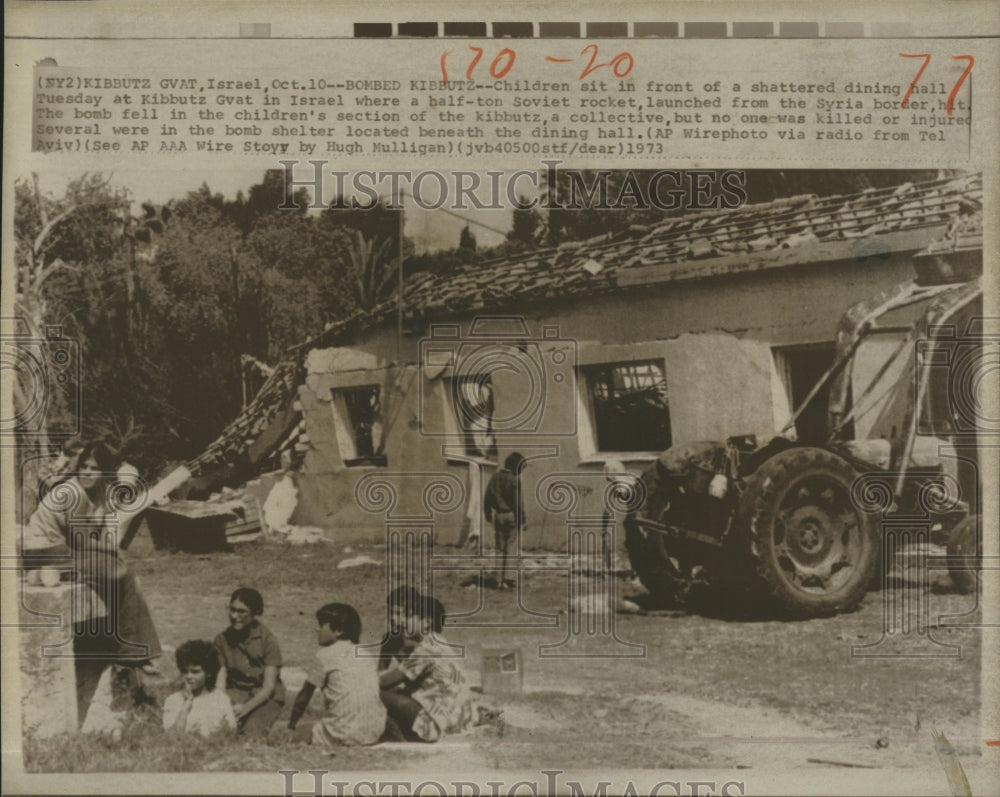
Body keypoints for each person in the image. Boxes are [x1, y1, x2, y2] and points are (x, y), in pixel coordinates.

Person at [20, 441, 162, 721]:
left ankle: (133, 651)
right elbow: (83, 540)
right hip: (43, 549)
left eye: (94, 469)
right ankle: (136, 651)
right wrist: (109, 549)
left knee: (122, 574)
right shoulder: (71, 491)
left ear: (105, 472)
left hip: (66, 551)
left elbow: (108, 529)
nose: (86, 472)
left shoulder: (101, 492)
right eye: (83, 466)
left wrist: (109, 546)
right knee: (117, 569)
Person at [287, 603, 388, 749]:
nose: (317, 629)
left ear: (339, 630)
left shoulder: (324, 655)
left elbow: (303, 697)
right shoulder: (365, 654)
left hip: (343, 733)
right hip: (374, 731)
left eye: (322, 625)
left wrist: (291, 725)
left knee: (295, 735)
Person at [379, 596, 472, 743]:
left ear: (427, 622)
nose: (402, 621)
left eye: (408, 616)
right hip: (455, 721)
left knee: (375, 693)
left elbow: (384, 682)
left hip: (436, 723)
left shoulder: (427, 649)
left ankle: (398, 738)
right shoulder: (438, 642)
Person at [214, 587, 285, 737]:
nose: (234, 616)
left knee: (252, 733)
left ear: (255, 613)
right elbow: (220, 682)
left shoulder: (268, 640)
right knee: (217, 728)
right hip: (236, 692)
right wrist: (223, 704)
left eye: (242, 612)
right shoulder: (221, 640)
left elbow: (269, 687)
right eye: (232, 610)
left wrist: (246, 708)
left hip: (264, 696)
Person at [162, 640, 236, 737]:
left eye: (195, 672)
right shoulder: (173, 700)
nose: (189, 676)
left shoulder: (221, 699)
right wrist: (185, 707)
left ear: (208, 673)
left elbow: (231, 733)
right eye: (185, 671)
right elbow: (171, 737)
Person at [483, 452, 526, 589]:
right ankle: (508, 579)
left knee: (499, 548)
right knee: (511, 547)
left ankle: (498, 579)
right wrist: (523, 519)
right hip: (512, 515)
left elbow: (487, 496)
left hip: (498, 516)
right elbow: (518, 503)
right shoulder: (514, 480)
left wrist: (488, 513)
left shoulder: (495, 477)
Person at [378, 586, 421, 673]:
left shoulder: (424, 638)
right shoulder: (390, 639)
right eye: (391, 613)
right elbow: (381, 673)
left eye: (398, 613)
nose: (392, 618)